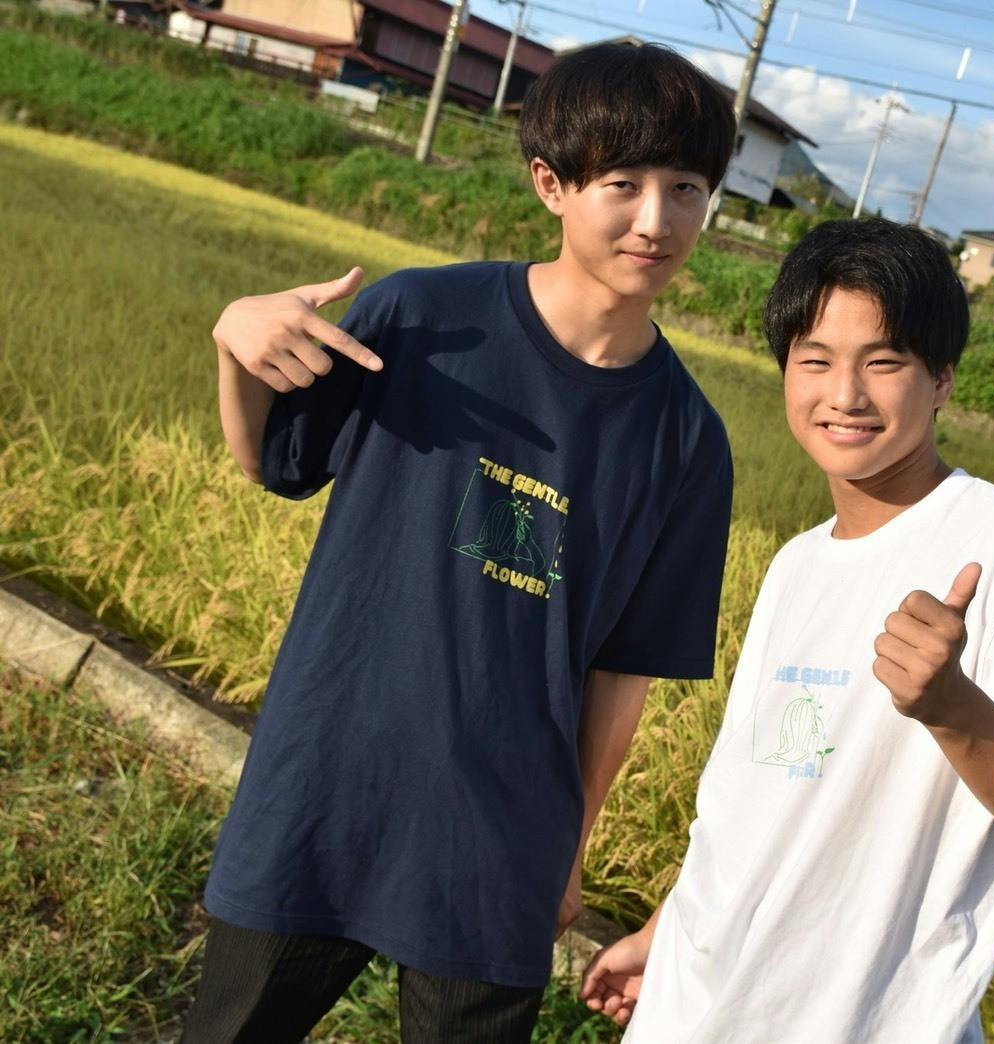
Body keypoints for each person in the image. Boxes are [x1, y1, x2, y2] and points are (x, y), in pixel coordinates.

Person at [183, 43, 737, 1041]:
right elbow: (273, 461)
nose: (656, 219)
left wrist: (567, 851)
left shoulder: (689, 441)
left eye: (685, 188)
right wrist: (236, 341)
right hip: (321, 786)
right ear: (551, 184)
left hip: (499, 841)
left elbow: (623, 676)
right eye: (622, 184)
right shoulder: (422, 318)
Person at [580, 218, 994, 1042]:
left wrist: (951, 707)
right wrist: (668, 933)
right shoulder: (796, 564)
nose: (845, 395)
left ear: (941, 379)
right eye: (815, 361)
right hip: (691, 1010)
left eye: (883, 362)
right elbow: (754, 797)